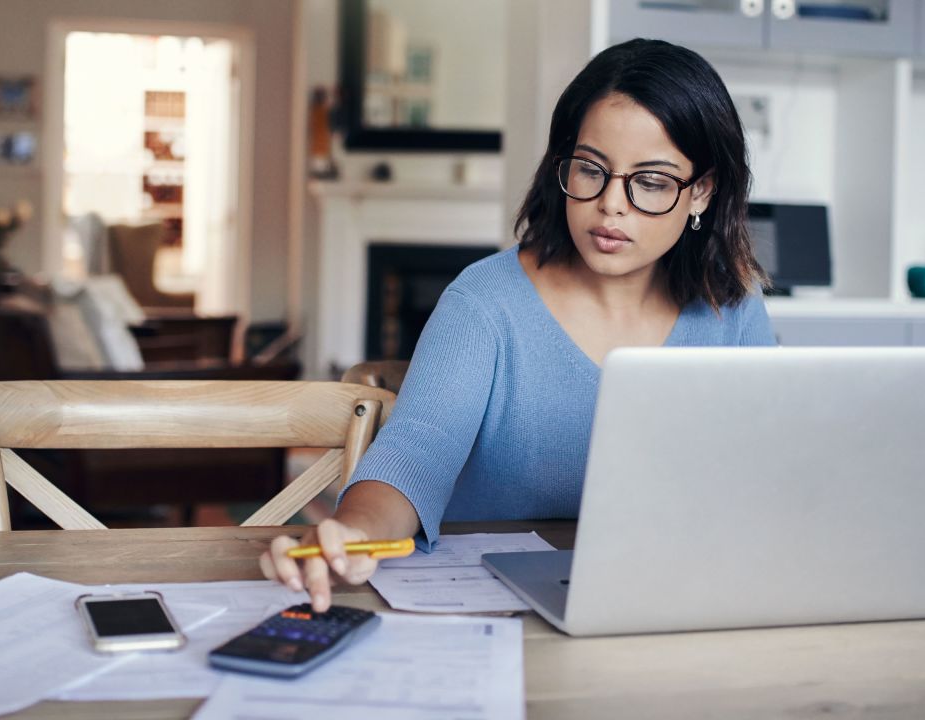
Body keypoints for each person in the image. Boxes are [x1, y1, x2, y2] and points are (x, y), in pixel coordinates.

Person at [261, 38, 776, 611]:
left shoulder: (733, 306)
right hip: (493, 610)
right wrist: (353, 533)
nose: (612, 204)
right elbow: (413, 456)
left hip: (669, 600)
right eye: (591, 170)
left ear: (701, 191)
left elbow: (767, 475)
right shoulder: (484, 303)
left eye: (651, 182)